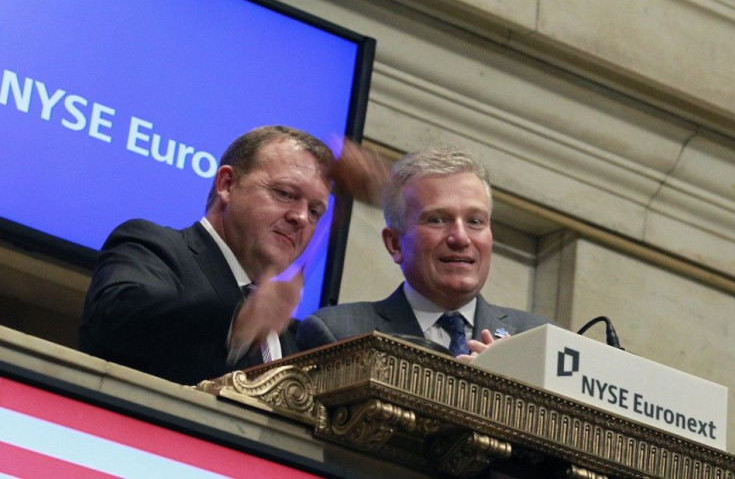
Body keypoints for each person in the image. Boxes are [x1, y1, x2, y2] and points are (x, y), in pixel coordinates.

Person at [80, 125, 388, 385]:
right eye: (285, 194)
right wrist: (236, 322)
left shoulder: (292, 340)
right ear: (227, 184)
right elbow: (115, 317)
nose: (301, 218)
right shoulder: (153, 246)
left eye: (315, 210)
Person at [296, 146, 556, 362]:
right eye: (438, 220)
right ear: (394, 244)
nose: (461, 238)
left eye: (475, 221)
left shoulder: (541, 342)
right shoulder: (340, 334)